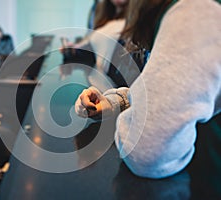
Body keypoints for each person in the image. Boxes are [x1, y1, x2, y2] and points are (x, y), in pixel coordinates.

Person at [75, 0, 221, 178]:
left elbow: (145, 154)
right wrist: (117, 103)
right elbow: (168, 94)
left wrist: (131, 122)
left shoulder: (193, 11)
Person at [62, 0, 129, 73]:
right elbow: (94, 50)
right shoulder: (102, 10)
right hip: (98, 76)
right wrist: (74, 51)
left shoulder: (131, 20)